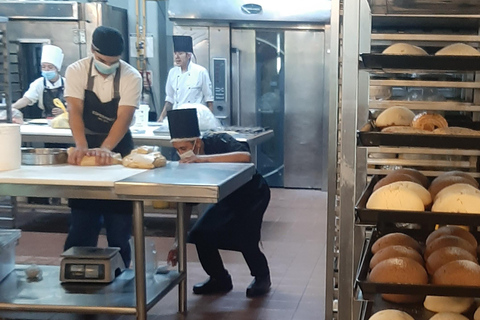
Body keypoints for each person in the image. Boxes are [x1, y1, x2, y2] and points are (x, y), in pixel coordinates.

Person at [167, 108, 271, 298]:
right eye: (177, 150)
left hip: (252, 194)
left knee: (246, 237)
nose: (181, 154)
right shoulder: (184, 163)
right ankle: (219, 278)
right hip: (226, 197)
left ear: (197, 143)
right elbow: (185, 202)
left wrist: (202, 159)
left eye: (183, 148)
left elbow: (245, 158)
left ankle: (262, 277)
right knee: (200, 234)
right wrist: (177, 242)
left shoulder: (218, 140)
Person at [63, 26, 142, 268]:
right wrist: (81, 146)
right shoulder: (76, 71)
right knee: (82, 223)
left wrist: (107, 148)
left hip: (118, 147)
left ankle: (124, 280)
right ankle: (76, 276)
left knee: (119, 227)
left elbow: (124, 117)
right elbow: (74, 111)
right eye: (101, 60)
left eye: (113, 62)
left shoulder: (131, 76)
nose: (107, 66)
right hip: (85, 143)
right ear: (92, 51)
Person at [157, 36, 214, 122]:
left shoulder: (201, 72)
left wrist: (209, 121)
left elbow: (209, 100)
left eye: (180, 53)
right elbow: (169, 100)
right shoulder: (172, 73)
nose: (176, 57)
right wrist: (161, 118)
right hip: (176, 117)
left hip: (195, 119)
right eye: (175, 53)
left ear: (188, 55)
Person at [13, 44, 66, 118]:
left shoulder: (67, 83)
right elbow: (26, 99)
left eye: (50, 67)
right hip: (46, 119)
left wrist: (65, 110)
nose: (46, 69)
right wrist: (11, 109)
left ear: (57, 69)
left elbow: (77, 104)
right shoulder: (39, 83)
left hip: (66, 119)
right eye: (43, 67)